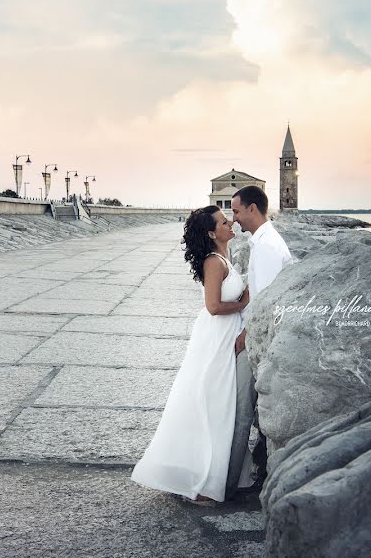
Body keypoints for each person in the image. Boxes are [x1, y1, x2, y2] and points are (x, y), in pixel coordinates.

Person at [131, 205, 253, 505]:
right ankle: (201, 482)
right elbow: (213, 306)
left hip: (225, 334)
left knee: (220, 405)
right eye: (224, 222)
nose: (231, 223)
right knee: (212, 404)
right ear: (212, 233)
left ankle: (218, 473)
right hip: (216, 337)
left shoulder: (226, 256)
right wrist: (244, 302)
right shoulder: (214, 261)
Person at [226, 185, 293, 499]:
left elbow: (265, 303)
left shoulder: (266, 246)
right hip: (261, 339)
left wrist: (244, 336)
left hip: (258, 343)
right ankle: (253, 472)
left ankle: (230, 483)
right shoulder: (265, 241)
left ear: (253, 209)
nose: (234, 218)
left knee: (242, 411)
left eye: (237, 211)